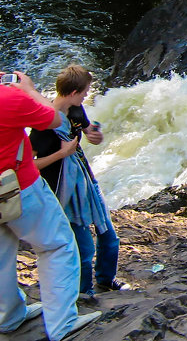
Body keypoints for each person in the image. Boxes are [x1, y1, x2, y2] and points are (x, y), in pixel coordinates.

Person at [0, 69, 100, 340]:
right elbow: (54, 118)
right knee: (57, 245)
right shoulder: (8, 98)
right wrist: (30, 90)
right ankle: (62, 324)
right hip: (18, 187)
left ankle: (8, 317)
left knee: (1, 256)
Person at [30, 65, 124, 301]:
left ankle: (106, 280)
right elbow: (28, 165)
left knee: (109, 237)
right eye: (84, 92)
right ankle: (84, 293)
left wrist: (95, 135)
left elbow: (86, 130)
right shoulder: (45, 123)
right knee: (84, 249)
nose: (86, 96)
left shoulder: (75, 109)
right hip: (62, 190)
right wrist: (61, 154)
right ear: (72, 92)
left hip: (85, 180)